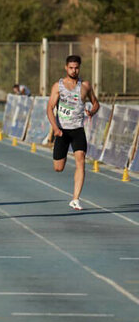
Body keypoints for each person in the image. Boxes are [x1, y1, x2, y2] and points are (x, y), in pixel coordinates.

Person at [46, 55, 99, 211]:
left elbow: (96, 103)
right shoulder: (58, 86)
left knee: (81, 161)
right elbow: (50, 108)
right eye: (71, 68)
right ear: (66, 68)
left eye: (76, 68)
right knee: (58, 168)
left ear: (79, 68)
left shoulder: (85, 86)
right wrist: (55, 128)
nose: (74, 70)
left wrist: (92, 112)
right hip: (62, 131)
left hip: (77, 130)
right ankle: (61, 154)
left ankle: (75, 199)